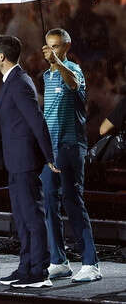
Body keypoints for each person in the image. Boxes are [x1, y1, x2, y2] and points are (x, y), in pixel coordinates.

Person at [0, 35, 59, 288]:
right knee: (21, 217)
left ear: (2, 57)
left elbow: (36, 120)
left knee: (32, 217)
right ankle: (26, 266)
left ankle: (40, 271)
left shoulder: (19, 82)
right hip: (15, 161)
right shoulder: (12, 81)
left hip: (26, 161)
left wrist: (49, 156)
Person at [40, 29, 102, 282]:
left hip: (70, 145)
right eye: (49, 46)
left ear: (66, 46)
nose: (52, 50)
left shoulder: (73, 70)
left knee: (72, 201)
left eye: (57, 46)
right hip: (50, 148)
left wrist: (58, 63)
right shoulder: (45, 76)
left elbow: (73, 85)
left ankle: (91, 263)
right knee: (49, 202)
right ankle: (58, 260)